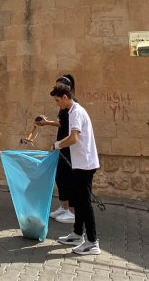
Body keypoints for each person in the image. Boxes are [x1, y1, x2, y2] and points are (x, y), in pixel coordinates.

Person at [51, 83, 101, 255]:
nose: (57, 105)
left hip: (85, 165)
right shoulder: (72, 112)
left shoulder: (76, 112)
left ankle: (92, 242)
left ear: (65, 97)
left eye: (58, 101)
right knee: (79, 201)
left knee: (85, 204)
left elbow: (73, 138)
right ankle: (78, 233)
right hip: (79, 163)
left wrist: (58, 144)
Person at [34, 74, 76, 224]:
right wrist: (46, 122)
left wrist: (47, 124)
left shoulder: (73, 107)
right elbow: (60, 123)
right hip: (61, 143)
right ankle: (64, 207)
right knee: (60, 175)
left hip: (67, 145)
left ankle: (72, 211)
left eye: (59, 87)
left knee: (69, 177)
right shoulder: (63, 106)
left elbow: (70, 129)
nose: (56, 90)